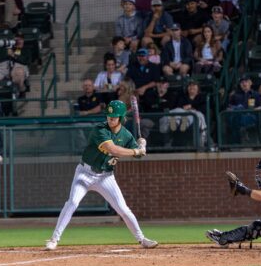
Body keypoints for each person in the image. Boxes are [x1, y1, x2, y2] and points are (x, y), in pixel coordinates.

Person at [44, 100, 157, 251]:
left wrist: (142, 146)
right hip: (84, 173)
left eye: (114, 116)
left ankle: (142, 239)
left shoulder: (126, 135)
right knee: (72, 203)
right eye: (109, 115)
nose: (110, 118)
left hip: (106, 177)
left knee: (123, 209)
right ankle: (54, 239)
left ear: (122, 117)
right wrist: (136, 151)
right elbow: (114, 150)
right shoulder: (100, 129)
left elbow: (138, 154)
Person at [227, 75, 261, 144]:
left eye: (246, 82)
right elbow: (228, 108)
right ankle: (242, 132)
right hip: (237, 116)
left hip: (251, 116)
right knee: (238, 110)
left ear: (250, 83)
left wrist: (250, 110)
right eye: (242, 82)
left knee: (238, 114)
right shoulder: (235, 95)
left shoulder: (256, 94)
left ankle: (237, 142)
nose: (244, 84)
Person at [175, 80, 209, 147]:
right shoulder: (183, 97)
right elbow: (179, 106)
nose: (192, 87)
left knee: (197, 115)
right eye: (190, 85)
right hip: (182, 114)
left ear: (198, 89)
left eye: (194, 85)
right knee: (177, 111)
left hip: (196, 117)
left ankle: (201, 143)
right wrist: (184, 108)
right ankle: (175, 123)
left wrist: (191, 106)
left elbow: (203, 109)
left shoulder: (202, 97)